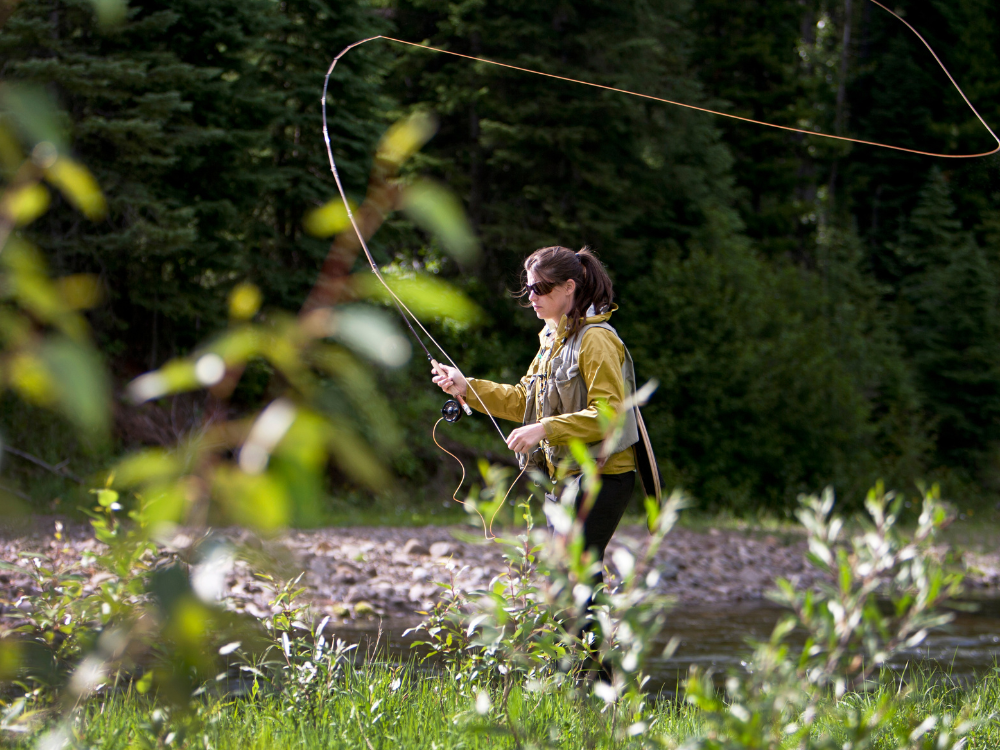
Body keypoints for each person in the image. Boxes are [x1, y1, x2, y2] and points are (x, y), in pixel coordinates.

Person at [431, 245, 641, 582]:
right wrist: (466, 386)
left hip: (604, 476)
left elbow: (610, 414)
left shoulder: (596, 340)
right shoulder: (550, 340)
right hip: (567, 477)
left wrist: (544, 428)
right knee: (564, 580)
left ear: (569, 287)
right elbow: (522, 400)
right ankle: (582, 637)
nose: (532, 297)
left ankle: (586, 637)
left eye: (540, 288)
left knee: (573, 579)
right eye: (529, 288)